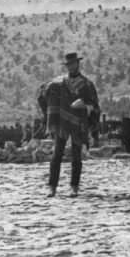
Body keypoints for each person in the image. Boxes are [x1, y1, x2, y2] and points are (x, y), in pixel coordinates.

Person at [37, 52, 100, 197]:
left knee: (76, 157)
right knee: (56, 156)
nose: (70, 66)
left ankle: (74, 187)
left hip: (78, 124)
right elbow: (43, 94)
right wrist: (49, 115)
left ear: (77, 64)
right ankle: (52, 187)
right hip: (61, 125)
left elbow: (95, 105)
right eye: (68, 64)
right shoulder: (58, 84)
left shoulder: (87, 84)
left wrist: (84, 104)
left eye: (72, 63)